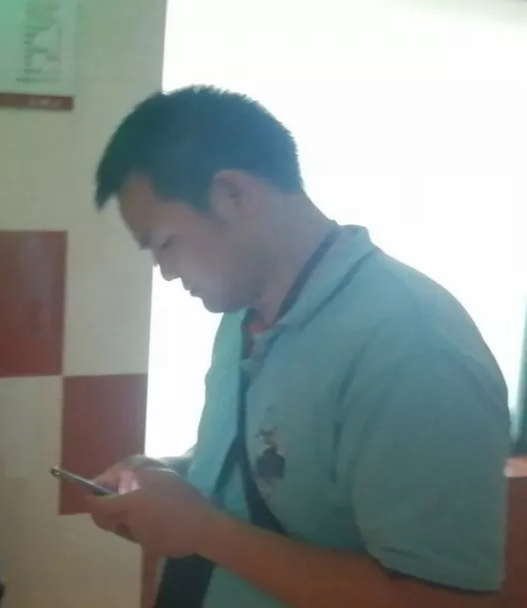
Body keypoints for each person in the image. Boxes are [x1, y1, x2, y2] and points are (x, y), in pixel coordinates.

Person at [85, 85, 511, 607]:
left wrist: (200, 528)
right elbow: (276, 465)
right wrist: (170, 480)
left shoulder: (414, 348)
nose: (167, 273)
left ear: (233, 195)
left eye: (166, 244)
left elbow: (446, 601)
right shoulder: (244, 311)